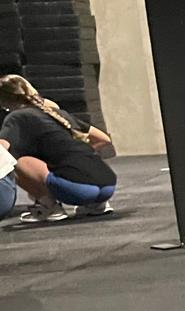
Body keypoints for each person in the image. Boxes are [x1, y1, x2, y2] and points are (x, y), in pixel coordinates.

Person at [0, 74, 117, 221]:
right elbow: (104, 139)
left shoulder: (16, 117)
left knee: (15, 160)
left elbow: (2, 150)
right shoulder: (57, 113)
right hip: (107, 186)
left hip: (78, 191)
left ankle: (50, 208)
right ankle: (96, 206)